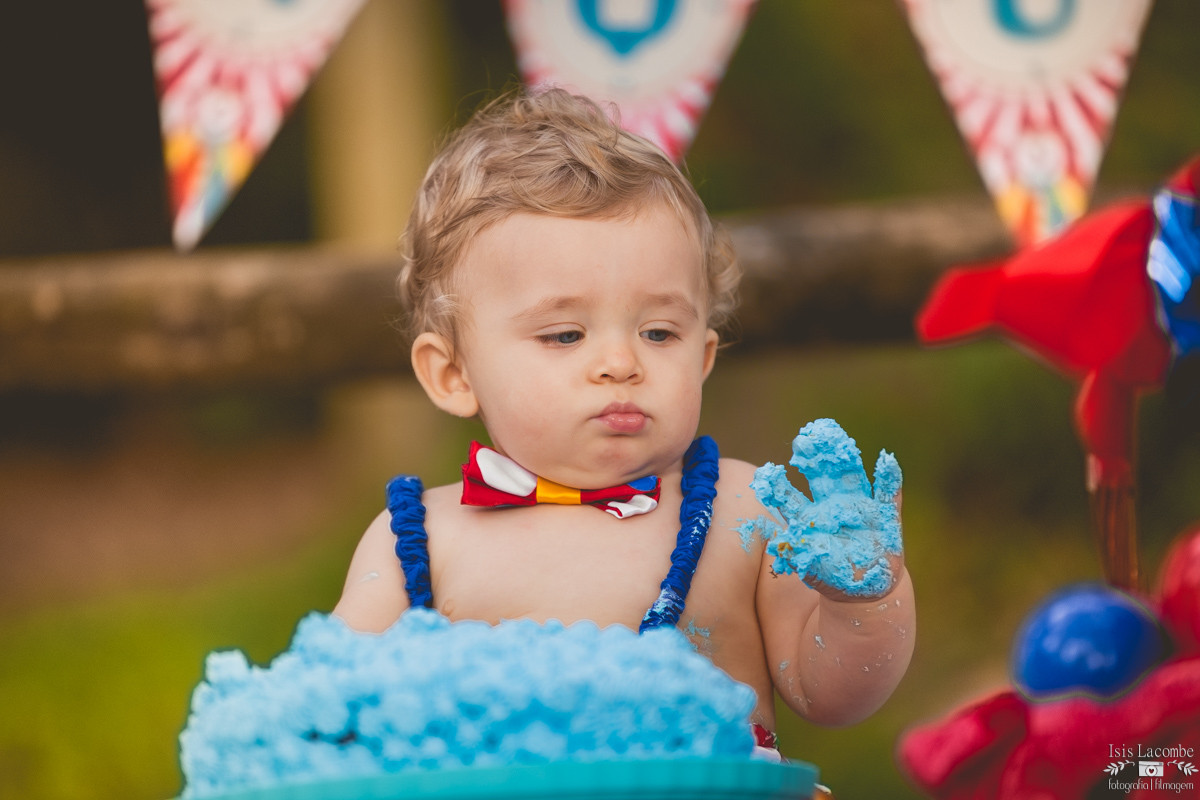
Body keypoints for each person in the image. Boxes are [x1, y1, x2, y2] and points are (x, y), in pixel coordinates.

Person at [333, 88, 915, 748]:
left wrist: (865, 600)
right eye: (563, 335)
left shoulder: (741, 513)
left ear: (703, 357)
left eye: (660, 333)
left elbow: (833, 693)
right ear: (453, 373)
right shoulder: (420, 544)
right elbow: (327, 712)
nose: (619, 363)